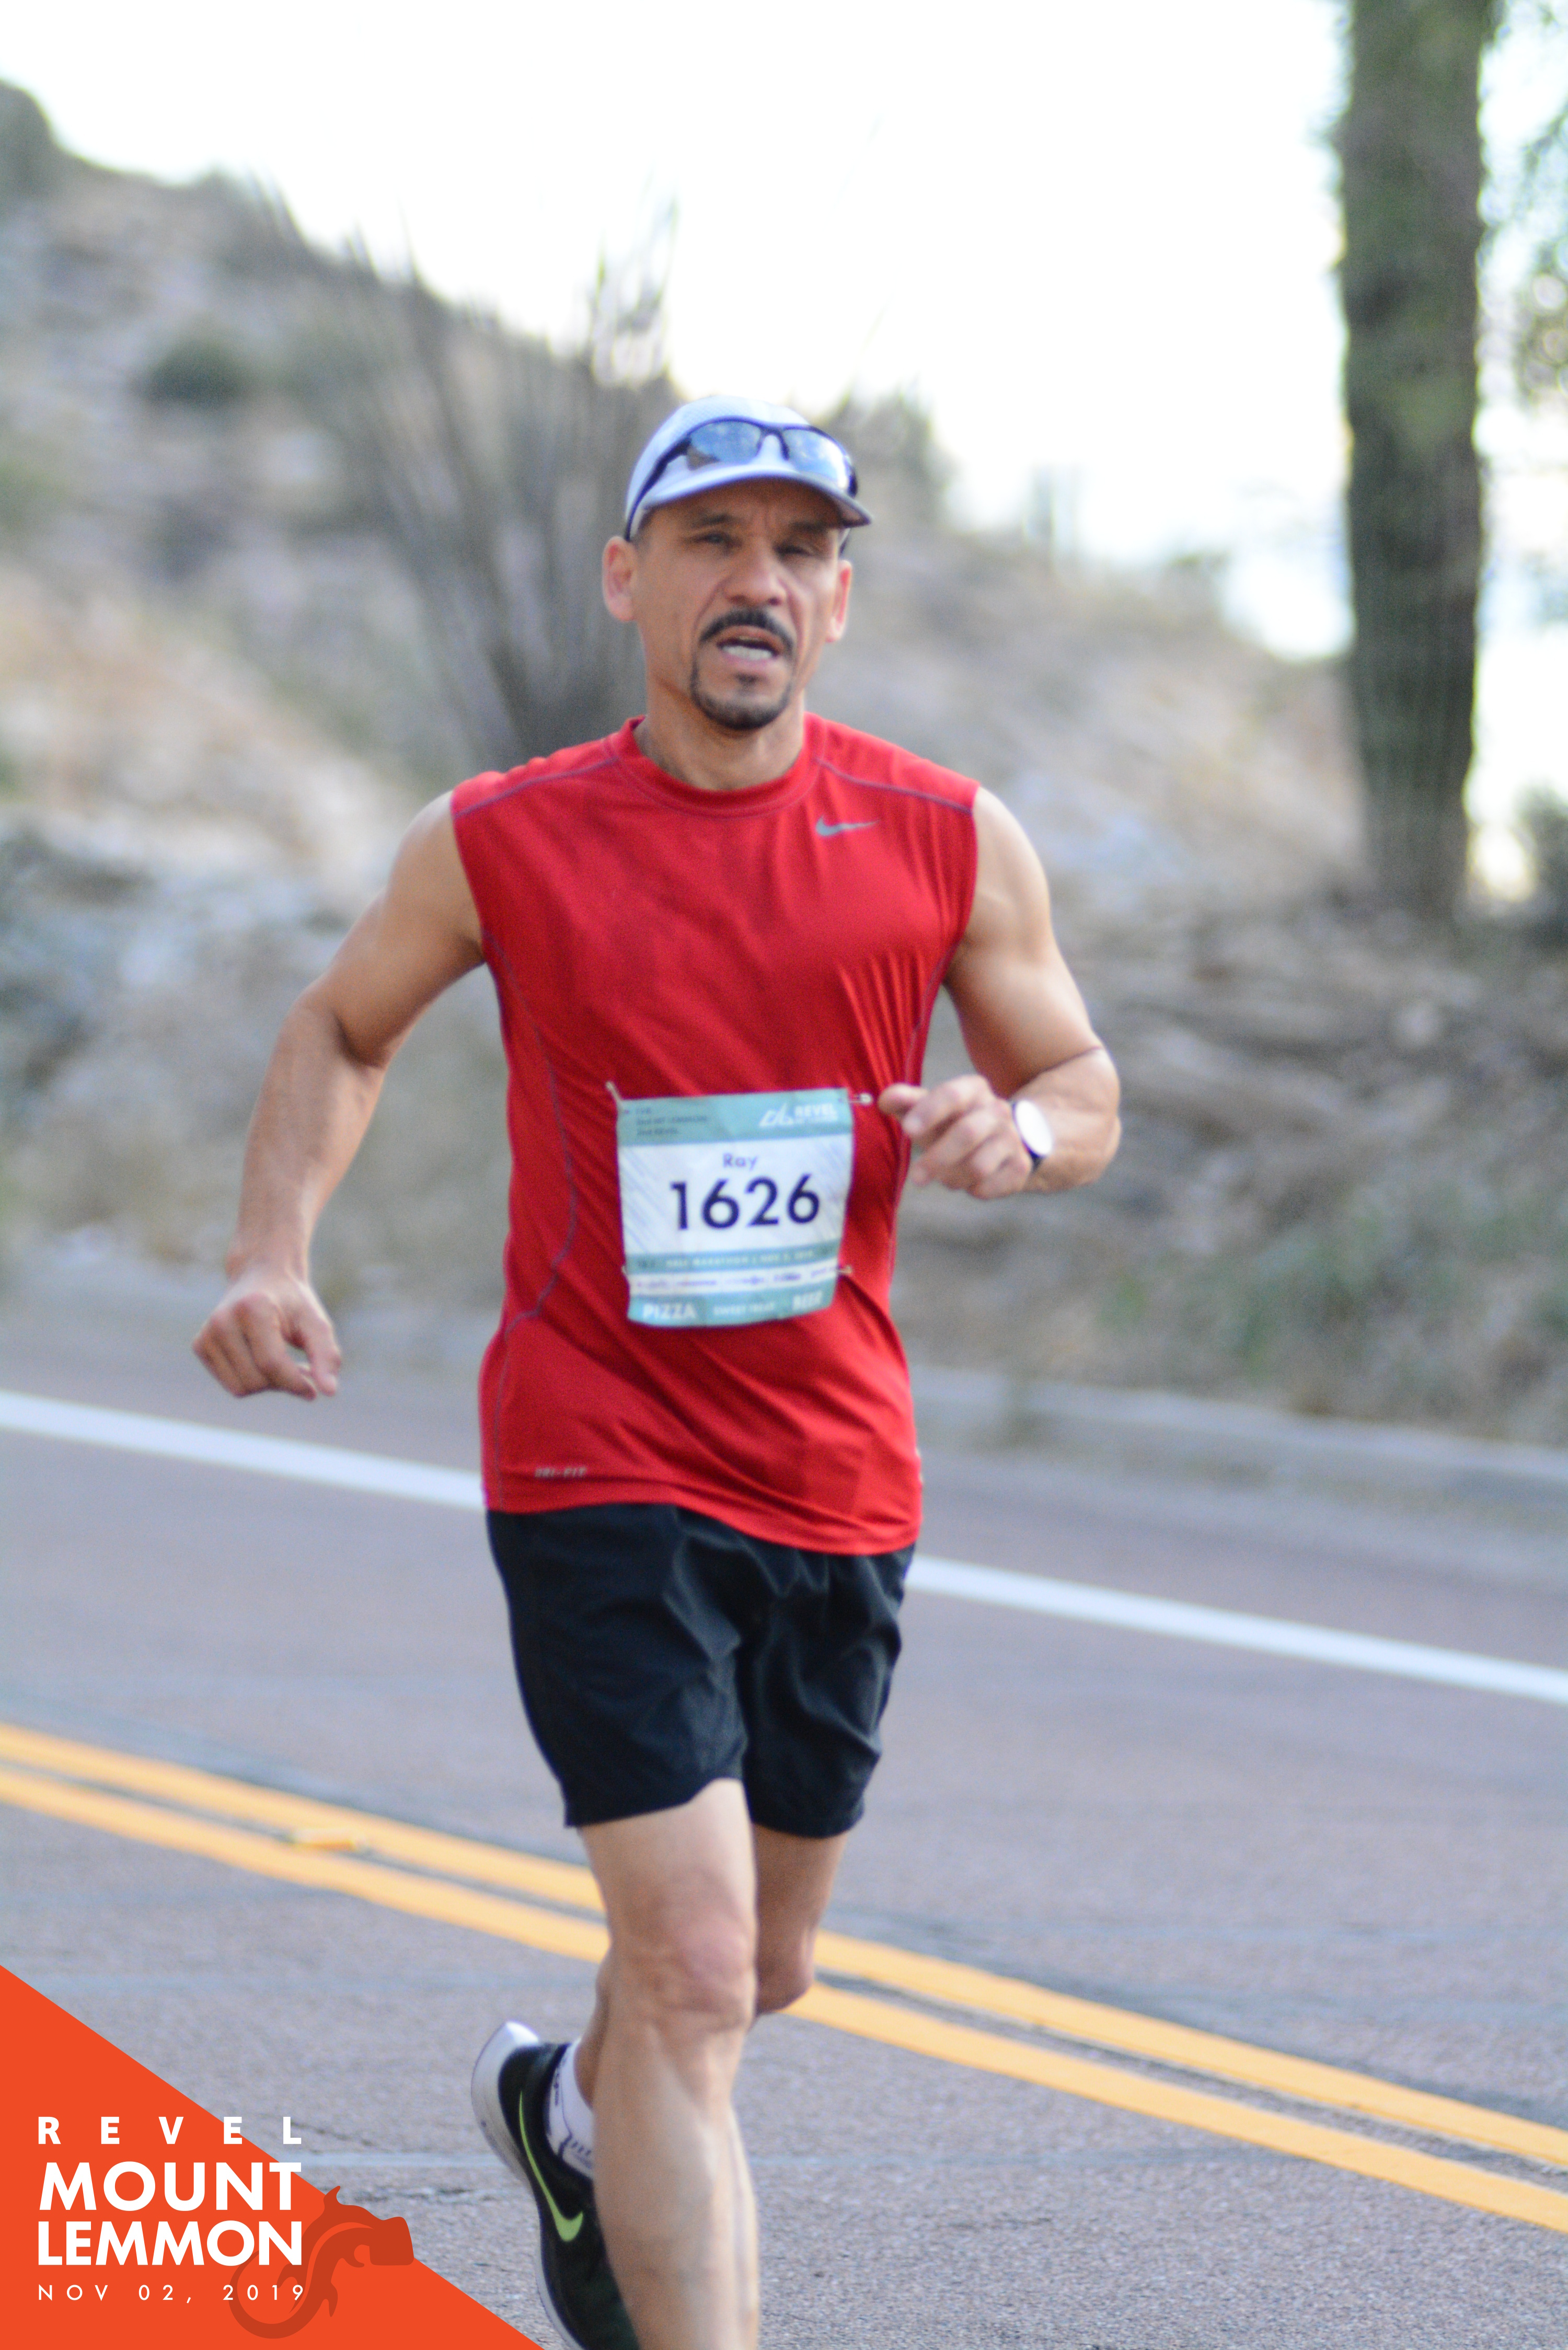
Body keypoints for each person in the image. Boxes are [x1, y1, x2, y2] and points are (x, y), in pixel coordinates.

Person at [194, 393, 1121, 2350]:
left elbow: (1078, 1078)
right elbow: (344, 1028)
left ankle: (567, 2116)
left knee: (759, 1968)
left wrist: (1022, 1133)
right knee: (694, 1972)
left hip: (840, 1472)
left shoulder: (946, 838)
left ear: (839, 602)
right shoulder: (504, 837)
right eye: (713, 543)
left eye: (801, 552)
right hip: (594, 1455)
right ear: (630, 581)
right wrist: (272, 1251)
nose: (758, 583)